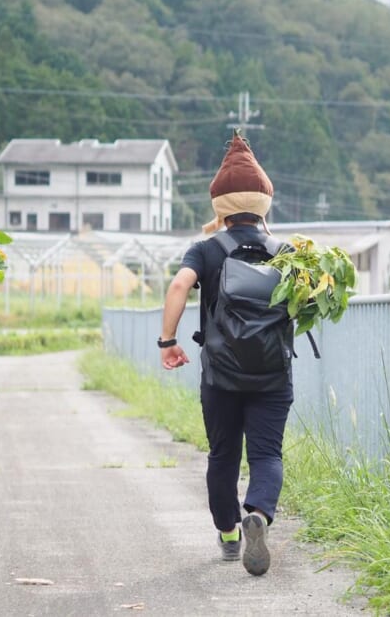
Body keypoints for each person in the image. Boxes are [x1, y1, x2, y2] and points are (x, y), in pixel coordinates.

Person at [159, 131, 292, 577]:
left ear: (220, 206)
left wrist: (168, 341)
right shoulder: (286, 252)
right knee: (267, 455)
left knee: (222, 456)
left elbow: (179, 285)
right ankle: (260, 513)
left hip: (221, 373)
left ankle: (231, 535)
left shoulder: (207, 249)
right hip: (273, 372)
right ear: (263, 203)